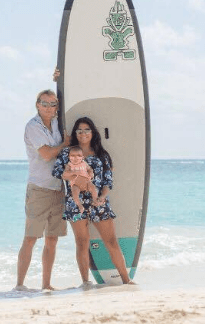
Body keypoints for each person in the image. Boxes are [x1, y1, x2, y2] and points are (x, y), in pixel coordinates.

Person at [52, 117, 134, 286]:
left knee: (111, 241)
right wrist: (77, 177)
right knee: (82, 242)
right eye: (79, 130)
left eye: (86, 130)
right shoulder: (67, 153)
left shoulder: (102, 155)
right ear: (75, 133)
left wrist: (102, 197)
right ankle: (85, 282)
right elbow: (57, 172)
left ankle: (126, 279)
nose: (83, 133)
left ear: (93, 132)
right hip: (75, 205)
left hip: (99, 202)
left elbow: (108, 181)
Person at [15, 89, 70, 291]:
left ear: (57, 106)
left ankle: (46, 284)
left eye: (52, 104)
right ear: (37, 105)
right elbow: (46, 154)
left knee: (52, 239)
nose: (48, 107)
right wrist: (64, 144)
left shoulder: (57, 122)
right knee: (30, 238)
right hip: (39, 188)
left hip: (58, 187)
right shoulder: (33, 126)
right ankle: (20, 285)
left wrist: (57, 76)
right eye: (44, 103)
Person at [64, 145, 98, 217]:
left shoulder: (84, 163)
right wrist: (72, 173)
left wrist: (91, 173)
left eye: (78, 155)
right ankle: (79, 205)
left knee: (93, 187)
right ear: (69, 157)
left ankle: (95, 200)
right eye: (72, 155)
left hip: (86, 182)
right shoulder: (69, 165)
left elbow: (89, 169)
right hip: (76, 184)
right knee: (74, 193)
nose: (75, 158)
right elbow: (65, 174)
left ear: (83, 157)